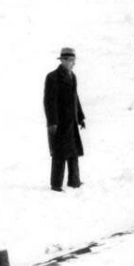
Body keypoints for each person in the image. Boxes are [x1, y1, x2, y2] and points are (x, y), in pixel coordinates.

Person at [43, 47, 86, 192]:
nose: (74, 64)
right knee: (59, 154)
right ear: (63, 60)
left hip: (71, 122)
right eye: (72, 61)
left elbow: (75, 98)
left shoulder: (72, 76)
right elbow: (49, 102)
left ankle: (74, 181)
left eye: (74, 60)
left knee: (73, 153)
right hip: (59, 124)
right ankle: (56, 185)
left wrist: (80, 117)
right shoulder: (52, 77)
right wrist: (52, 122)